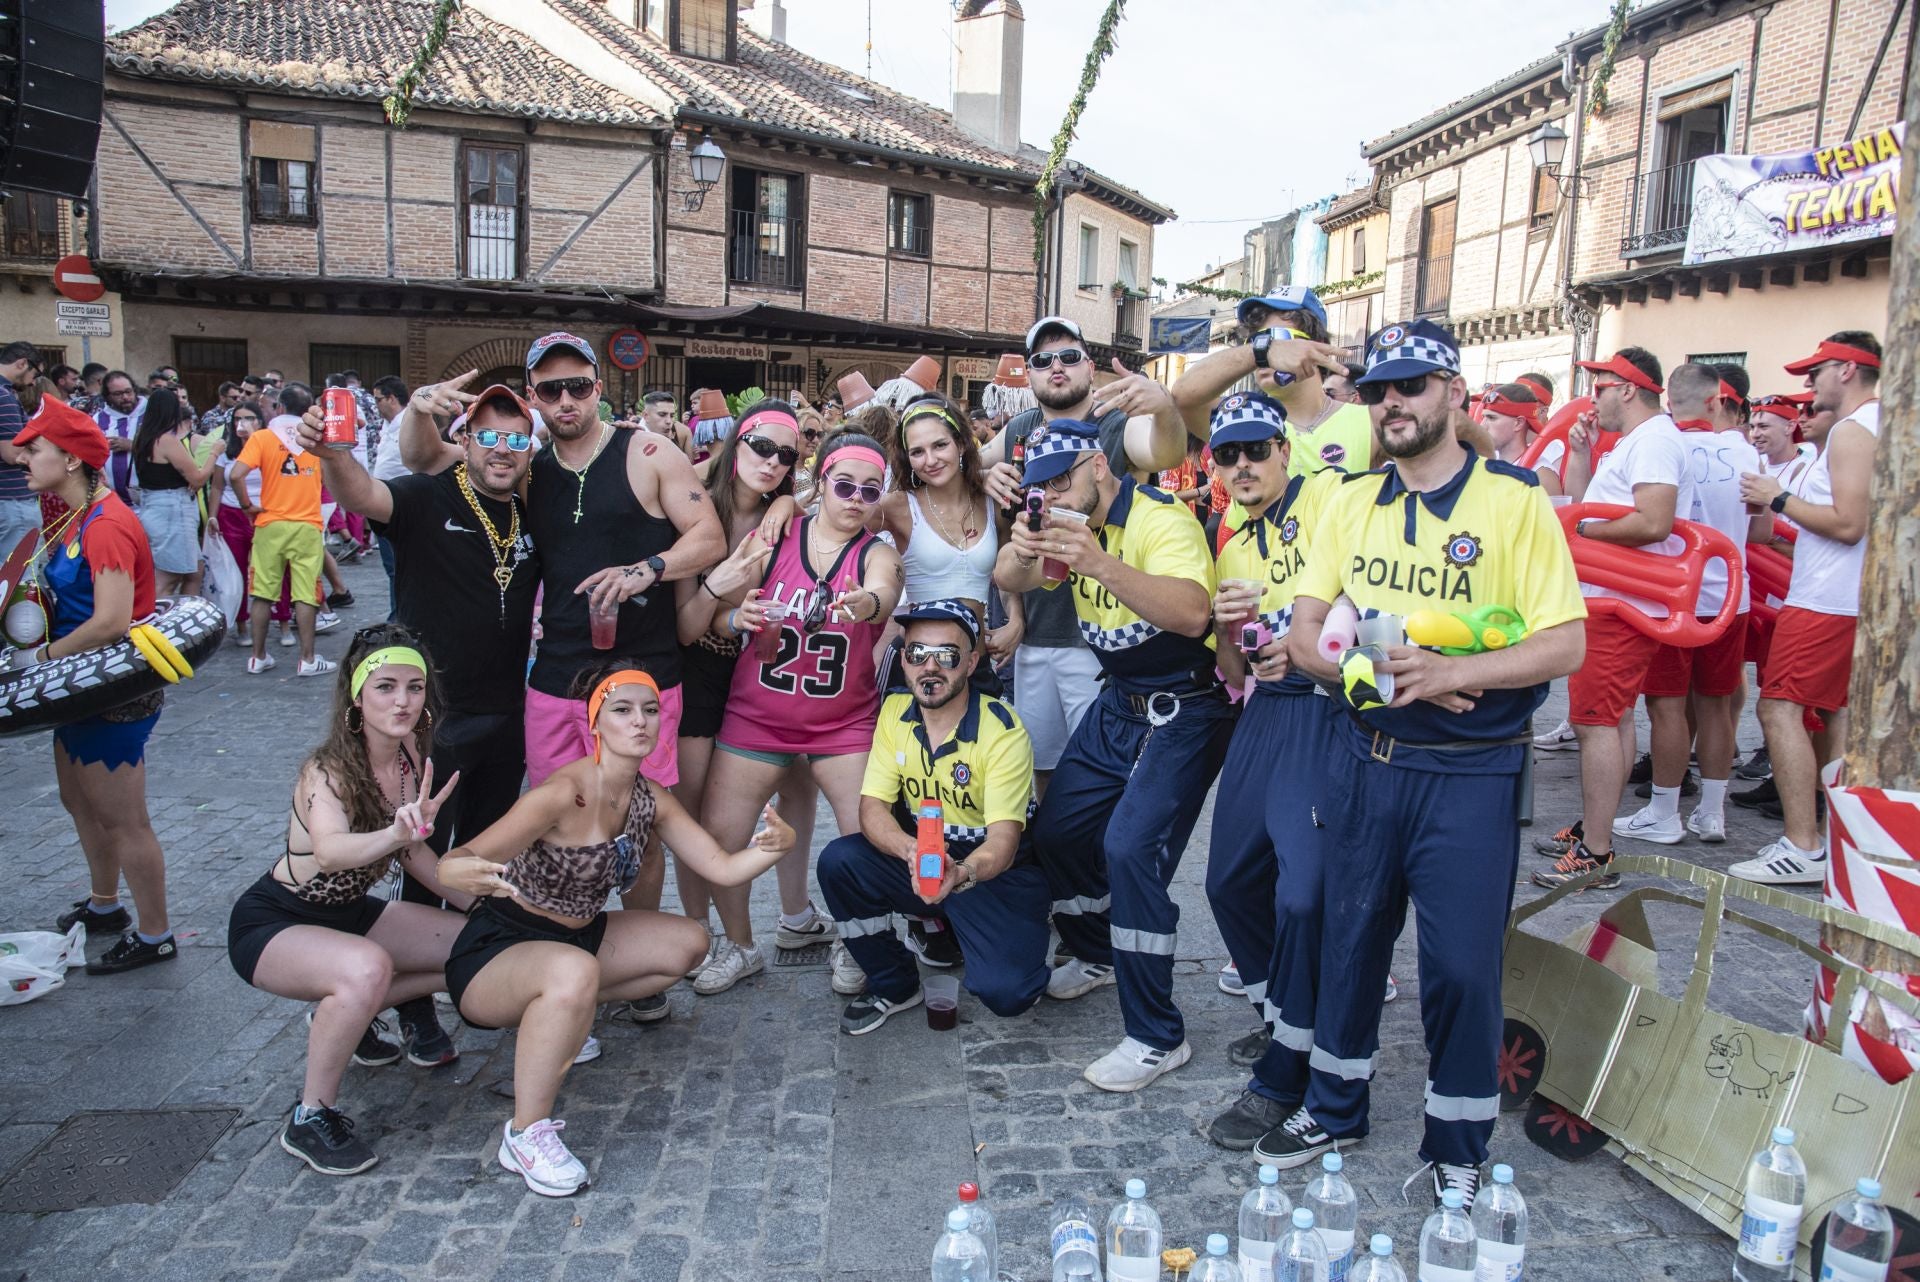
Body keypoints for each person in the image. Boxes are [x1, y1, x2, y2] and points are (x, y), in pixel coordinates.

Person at [1282, 319, 1585, 1199]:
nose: (1392, 403)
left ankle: (1458, 1143)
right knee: (1349, 941)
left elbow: (1564, 644)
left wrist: (1459, 671)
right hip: (1367, 756)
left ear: (1454, 393)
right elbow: (1303, 634)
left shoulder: (1515, 500)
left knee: (1459, 964)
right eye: (1378, 389)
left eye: (1411, 386)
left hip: (1472, 772)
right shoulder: (1349, 500)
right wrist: (1370, 672)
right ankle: (1333, 1104)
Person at [436, 667, 795, 1197]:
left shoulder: (651, 797)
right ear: (595, 722)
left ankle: (559, 1019)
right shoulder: (562, 793)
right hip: (498, 951)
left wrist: (773, 849)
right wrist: (458, 871)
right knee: (574, 970)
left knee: (688, 944)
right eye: (622, 710)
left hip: (577, 941)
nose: (640, 721)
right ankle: (524, 1135)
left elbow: (718, 866)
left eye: (650, 710)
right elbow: (458, 860)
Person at [398, 339, 726, 900]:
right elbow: (425, 460)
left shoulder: (647, 453)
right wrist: (417, 410)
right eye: (551, 391)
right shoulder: (530, 466)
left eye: (578, 386)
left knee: (638, 828)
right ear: (534, 400)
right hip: (558, 675)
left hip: (641, 674)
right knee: (554, 820)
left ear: (598, 389)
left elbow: (710, 538)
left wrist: (650, 568)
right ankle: (570, 940)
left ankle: (637, 964)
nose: (566, 400)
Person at [993, 417, 1235, 1093]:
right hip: (1119, 697)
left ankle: (1157, 1034)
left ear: (1098, 466)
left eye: (1062, 478)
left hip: (1186, 705)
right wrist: (1023, 541)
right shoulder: (1057, 518)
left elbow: (1193, 615)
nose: (1053, 495)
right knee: (1061, 830)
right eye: (1039, 487)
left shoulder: (1159, 519)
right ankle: (1100, 954)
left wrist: (1095, 558)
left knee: (1131, 850)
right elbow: (1006, 571)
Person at [227, 628, 468, 1175]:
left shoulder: (411, 758)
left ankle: (347, 1017)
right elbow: (334, 853)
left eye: (414, 686)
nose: (403, 701)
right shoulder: (327, 768)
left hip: (350, 915)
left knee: (471, 942)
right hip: (276, 921)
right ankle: (311, 1117)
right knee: (367, 967)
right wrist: (396, 834)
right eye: (385, 687)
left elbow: (416, 858)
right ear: (357, 697)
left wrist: (484, 906)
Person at [295, 384, 541, 910]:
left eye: (516, 441)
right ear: (465, 441)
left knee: (487, 848)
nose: (502, 449)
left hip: (506, 714)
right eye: (490, 436)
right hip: (433, 716)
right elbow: (362, 496)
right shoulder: (428, 495)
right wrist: (334, 455)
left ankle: (474, 958)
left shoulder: (531, 511)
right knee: (422, 849)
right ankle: (418, 974)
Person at [694, 431, 905, 990]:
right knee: (722, 834)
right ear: (822, 483)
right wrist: (734, 620)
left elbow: (883, 588)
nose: (855, 497)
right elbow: (722, 614)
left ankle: (859, 940)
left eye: (869, 488)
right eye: (844, 484)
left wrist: (869, 603)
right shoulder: (780, 534)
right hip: (755, 717)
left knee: (868, 834)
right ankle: (740, 945)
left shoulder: (875, 551)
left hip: (844, 724)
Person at [1192, 390, 1344, 1153]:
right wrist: (1227, 628)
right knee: (1226, 882)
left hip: (1323, 705)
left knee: (1303, 891)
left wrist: (1309, 644)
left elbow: (1355, 596)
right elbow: (1230, 664)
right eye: (1228, 454)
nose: (1244, 464)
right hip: (1264, 707)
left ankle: (1292, 1067)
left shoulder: (1328, 497)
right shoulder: (1230, 530)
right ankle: (1288, 1018)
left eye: (1257, 448)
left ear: (1286, 449)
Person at [975, 318, 1187, 797]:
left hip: (1097, 639)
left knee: (1102, 777)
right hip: (1036, 634)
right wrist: (982, 479)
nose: (1056, 368)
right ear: (1028, 374)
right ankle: (1055, 866)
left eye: (1069, 357)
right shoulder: (1021, 430)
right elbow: (956, 463)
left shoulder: (1113, 423)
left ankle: (1097, 869)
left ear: (1090, 367)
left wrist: (1166, 407)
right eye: (1042, 360)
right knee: (1043, 768)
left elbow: (1166, 450)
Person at [816, 600, 1050, 1032]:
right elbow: (872, 810)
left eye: (947, 655)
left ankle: (962, 930)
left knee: (1009, 992)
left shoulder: (1003, 730)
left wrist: (958, 874)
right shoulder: (894, 712)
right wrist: (912, 851)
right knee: (840, 862)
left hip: (990, 872)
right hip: (926, 853)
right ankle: (895, 982)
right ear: (903, 658)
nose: (930, 667)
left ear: (972, 661)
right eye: (917, 653)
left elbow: (1002, 844)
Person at [9, 399, 180, 973]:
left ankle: (157, 934)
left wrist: (40, 656)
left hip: (111, 692)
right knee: (79, 800)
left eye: (34, 449)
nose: (21, 456)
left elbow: (109, 621)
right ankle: (106, 905)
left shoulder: (104, 525)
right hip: (78, 686)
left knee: (124, 820)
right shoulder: (73, 515)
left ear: (73, 459)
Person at [667, 399, 821, 996]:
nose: (774, 462)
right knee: (696, 814)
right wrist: (721, 593)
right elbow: (685, 626)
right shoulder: (696, 507)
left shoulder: (784, 509)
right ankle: (708, 938)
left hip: (764, 673)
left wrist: (790, 498)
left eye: (787, 455)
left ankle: (791, 918)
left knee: (792, 787)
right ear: (737, 443)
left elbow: (820, 494)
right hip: (701, 673)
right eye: (762, 447)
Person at [1536, 347, 1692, 889]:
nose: (1592, 396)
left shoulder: (1653, 441)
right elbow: (1589, 502)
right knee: (1614, 718)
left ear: (1627, 389)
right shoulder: (1636, 441)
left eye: (1599, 385)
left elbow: (1653, 522)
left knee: (1594, 723)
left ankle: (1596, 854)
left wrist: (1581, 533)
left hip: (1620, 605)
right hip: (1615, 599)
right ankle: (1593, 830)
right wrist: (1579, 454)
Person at [1731, 333, 1882, 884]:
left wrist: (1777, 498)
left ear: (1847, 370)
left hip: (1825, 600)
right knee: (1837, 716)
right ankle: (1841, 844)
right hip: (1846, 597)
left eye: (1815, 371)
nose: (1808, 384)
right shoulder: (1875, 426)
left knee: (1779, 709)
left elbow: (1847, 525)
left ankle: (1803, 843)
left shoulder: (1851, 431)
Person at [1612, 364, 1764, 848]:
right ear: (1718, 401)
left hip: (1674, 598)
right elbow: (1759, 533)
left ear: (1669, 401)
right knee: (1718, 705)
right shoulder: (1747, 452)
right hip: (1729, 598)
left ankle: (1663, 811)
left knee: (1666, 708)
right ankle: (1712, 814)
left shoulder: (1663, 446)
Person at [1171, 288, 1368, 478]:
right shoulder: (1241, 418)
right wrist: (1257, 352)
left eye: (1277, 339)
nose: (1266, 351)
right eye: (1255, 340)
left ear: (1317, 346)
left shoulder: (1368, 422)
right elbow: (1183, 396)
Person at [230, 382, 336, 677]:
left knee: (263, 593)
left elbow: (236, 474)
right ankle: (308, 659)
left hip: (270, 524)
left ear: (279, 407)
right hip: (307, 524)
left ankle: (258, 656)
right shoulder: (317, 442)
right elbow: (329, 480)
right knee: (305, 594)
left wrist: (247, 505)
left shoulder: (263, 437)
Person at [130, 388, 219, 596]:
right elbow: (197, 478)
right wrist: (214, 453)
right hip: (172, 509)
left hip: (155, 505)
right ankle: (153, 622)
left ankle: (184, 616)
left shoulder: (142, 438)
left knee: (194, 571)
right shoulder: (166, 441)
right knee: (167, 577)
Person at [1477, 383, 1560, 495]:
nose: (1482, 426)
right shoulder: (1484, 462)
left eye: (1492, 418)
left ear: (1518, 423)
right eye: (1484, 417)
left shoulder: (1541, 475)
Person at [0, 340, 42, 555]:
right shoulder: (4, 396)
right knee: (20, 581)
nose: (34, 383)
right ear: (22, 363)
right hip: (12, 501)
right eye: (35, 374)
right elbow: (11, 453)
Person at [92, 371, 145, 508]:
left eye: (128, 391)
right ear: (107, 396)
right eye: (118, 394)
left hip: (148, 504)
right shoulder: (98, 420)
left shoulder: (150, 414)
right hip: (113, 504)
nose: (125, 397)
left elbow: (167, 448)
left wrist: (132, 446)